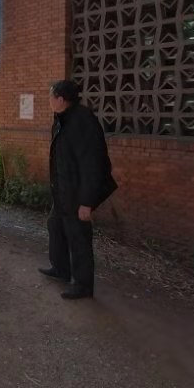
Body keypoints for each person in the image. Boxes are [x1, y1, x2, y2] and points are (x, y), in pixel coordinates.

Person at [39, 80, 117, 300]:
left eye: (51, 96)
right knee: (55, 226)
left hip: (77, 194)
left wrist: (87, 202)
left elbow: (93, 164)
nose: (49, 100)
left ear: (61, 99)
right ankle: (61, 269)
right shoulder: (61, 118)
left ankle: (83, 285)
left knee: (79, 238)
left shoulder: (83, 121)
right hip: (63, 191)